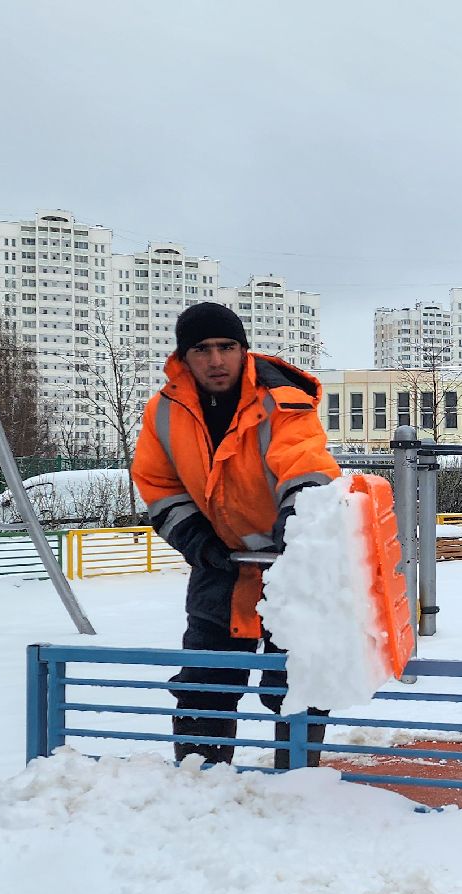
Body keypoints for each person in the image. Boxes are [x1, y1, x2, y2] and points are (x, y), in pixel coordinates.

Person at [131, 302, 339, 768]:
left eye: (226, 347)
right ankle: (201, 786)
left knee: (296, 683)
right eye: (201, 349)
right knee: (205, 683)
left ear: (244, 350)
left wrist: (300, 521)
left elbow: (305, 463)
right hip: (220, 565)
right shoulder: (163, 413)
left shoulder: (283, 401)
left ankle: (299, 787)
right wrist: (197, 541)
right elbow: (160, 486)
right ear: (183, 358)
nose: (215, 360)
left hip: (295, 566)